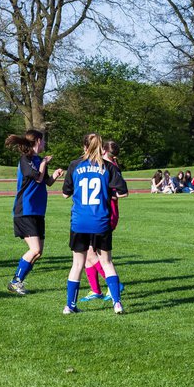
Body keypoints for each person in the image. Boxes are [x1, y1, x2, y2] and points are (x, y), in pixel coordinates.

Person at [62, 133, 128, 315]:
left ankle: (70, 305)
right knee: (106, 262)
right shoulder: (107, 166)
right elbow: (123, 192)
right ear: (101, 147)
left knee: (77, 264)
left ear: (84, 147)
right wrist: (107, 194)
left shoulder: (75, 165)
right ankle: (117, 303)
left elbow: (65, 193)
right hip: (100, 221)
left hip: (79, 222)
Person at [5, 129, 64, 295]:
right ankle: (15, 281)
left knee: (39, 253)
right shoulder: (26, 160)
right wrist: (44, 163)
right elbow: (37, 177)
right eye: (43, 140)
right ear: (37, 141)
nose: (44, 143)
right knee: (35, 250)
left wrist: (55, 175)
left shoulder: (38, 159)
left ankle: (17, 281)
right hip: (25, 210)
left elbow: (46, 182)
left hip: (38, 211)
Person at [80, 139, 123, 303]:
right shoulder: (103, 165)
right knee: (89, 254)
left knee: (92, 254)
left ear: (103, 151)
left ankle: (114, 285)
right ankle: (96, 290)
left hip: (106, 214)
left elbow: (120, 192)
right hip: (97, 214)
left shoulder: (110, 167)